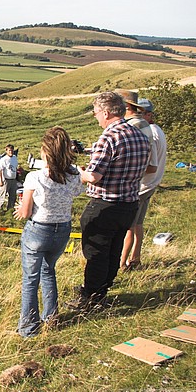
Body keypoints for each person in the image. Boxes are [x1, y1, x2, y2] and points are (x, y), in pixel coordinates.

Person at [67, 92, 150, 311]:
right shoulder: (140, 135)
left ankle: (90, 298)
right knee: (113, 251)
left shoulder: (109, 137)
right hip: (129, 203)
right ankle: (102, 291)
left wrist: (78, 172)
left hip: (104, 204)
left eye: (96, 113)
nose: (96, 118)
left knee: (95, 253)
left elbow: (94, 176)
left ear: (106, 112)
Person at [13, 127, 84, 338]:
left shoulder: (35, 177)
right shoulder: (73, 176)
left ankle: (28, 327)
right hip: (62, 229)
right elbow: (77, 191)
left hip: (38, 229)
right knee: (49, 270)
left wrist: (19, 209)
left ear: (45, 151)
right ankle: (51, 317)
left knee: (30, 279)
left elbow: (25, 212)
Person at [121, 98, 167, 270]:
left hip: (142, 185)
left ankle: (123, 263)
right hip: (151, 184)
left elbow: (149, 163)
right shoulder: (157, 130)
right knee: (138, 223)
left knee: (129, 226)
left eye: (142, 114)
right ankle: (135, 257)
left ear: (149, 115)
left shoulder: (149, 132)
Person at [0, 144, 18, 211]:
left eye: (12, 150)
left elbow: (15, 167)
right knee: (2, 195)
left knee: (13, 196)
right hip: (6, 180)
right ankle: (0, 209)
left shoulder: (14, 158)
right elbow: (0, 170)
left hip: (13, 179)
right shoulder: (3, 159)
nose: (11, 152)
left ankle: (10, 208)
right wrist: (1, 180)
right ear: (6, 151)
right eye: (9, 150)